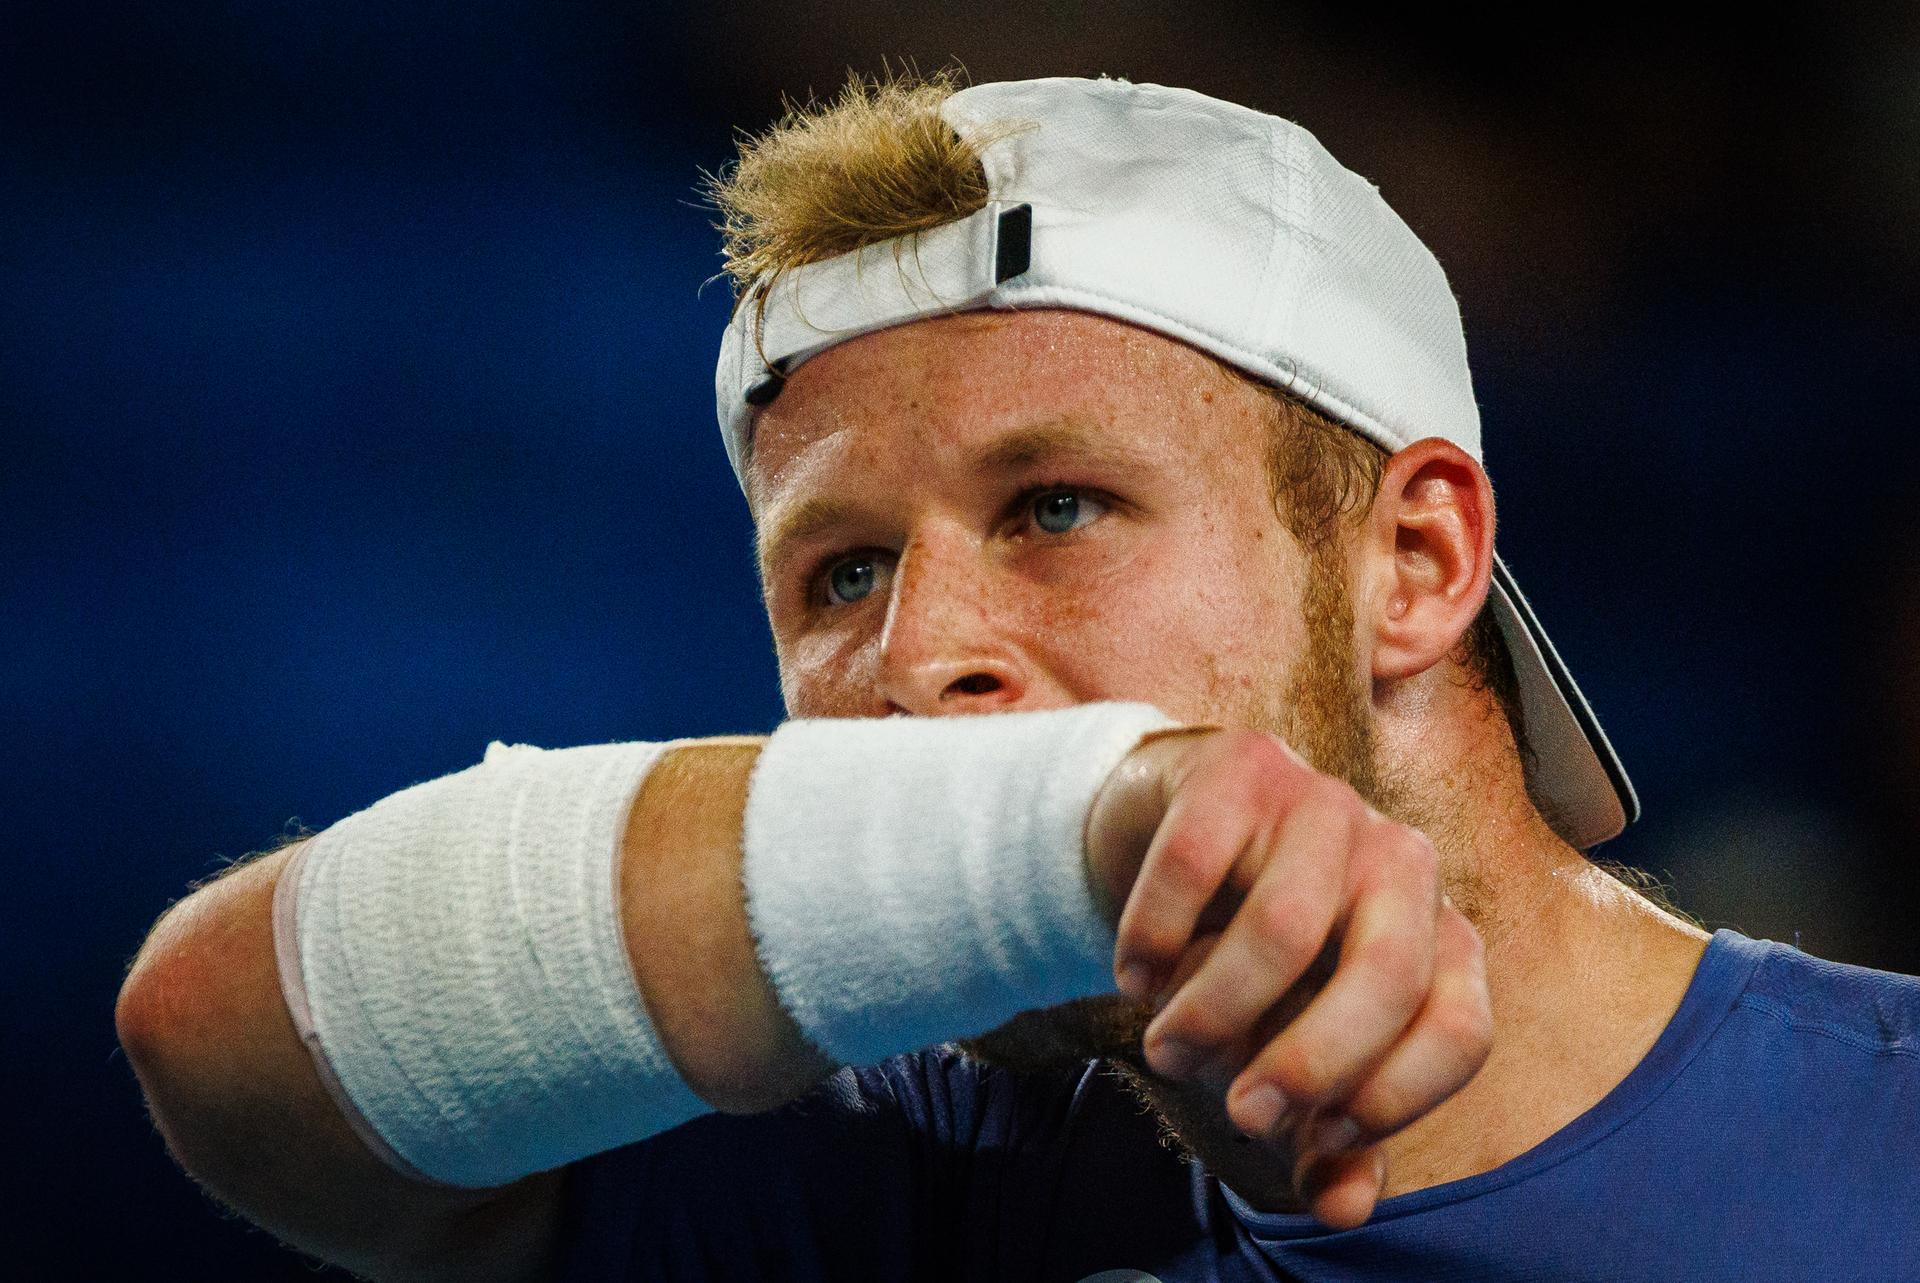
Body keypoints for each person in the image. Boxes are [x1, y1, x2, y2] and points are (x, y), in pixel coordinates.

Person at [116, 71, 1920, 1282]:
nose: (913, 664)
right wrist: (1089, 817)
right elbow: (219, 1039)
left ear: (1419, 561)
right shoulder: (901, 1159)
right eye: (841, 573)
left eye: (1057, 505)